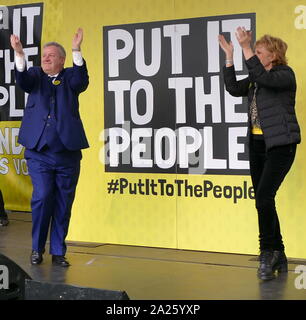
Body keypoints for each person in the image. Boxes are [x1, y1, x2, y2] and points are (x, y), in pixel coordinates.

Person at [219, 28, 301, 280]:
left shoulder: (284, 75)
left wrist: (245, 47)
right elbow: (233, 87)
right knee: (264, 200)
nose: (254, 54)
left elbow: (264, 79)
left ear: (273, 55)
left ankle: (267, 252)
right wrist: (230, 56)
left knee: (264, 198)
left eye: (258, 51)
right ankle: (280, 252)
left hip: (280, 145)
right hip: (257, 145)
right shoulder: (256, 78)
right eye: (254, 51)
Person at [10, 28, 89, 267]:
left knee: (64, 202)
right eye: (44, 55)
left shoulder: (71, 78)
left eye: (51, 55)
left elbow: (82, 81)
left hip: (67, 153)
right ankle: (37, 248)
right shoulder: (33, 75)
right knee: (43, 196)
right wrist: (20, 54)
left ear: (62, 60)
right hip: (39, 153)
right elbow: (22, 80)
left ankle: (58, 251)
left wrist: (76, 50)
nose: (45, 58)